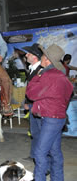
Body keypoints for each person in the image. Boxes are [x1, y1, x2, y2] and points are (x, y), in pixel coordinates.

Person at [26, 44, 73, 181]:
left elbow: (31, 94)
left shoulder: (47, 75)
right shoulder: (61, 76)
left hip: (50, 118)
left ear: (46, 59)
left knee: (40, 153)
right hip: (58, 118)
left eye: (43, 56)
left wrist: (37, 77)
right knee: (55, 152)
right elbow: (69, 91)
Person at [21, 43, 43, 162]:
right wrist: (27, 101)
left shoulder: (41, 70)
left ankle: (41, 158)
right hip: (32, 104)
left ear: (35, 57)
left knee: (40, 132)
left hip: (38, 106)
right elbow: (29, 88)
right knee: (34, 132)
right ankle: (34, 155)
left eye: (28, 54)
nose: (26, 55)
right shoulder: (32, 69)